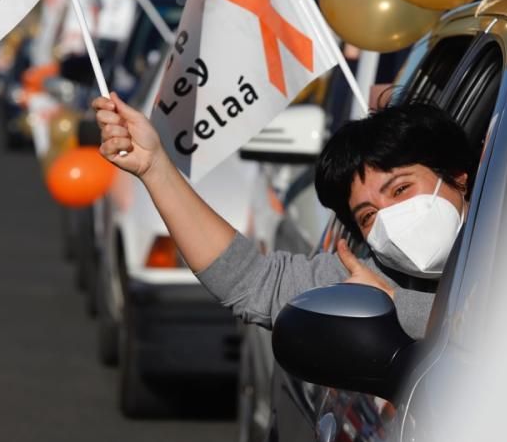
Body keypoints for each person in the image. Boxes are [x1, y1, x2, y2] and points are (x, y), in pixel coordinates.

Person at [93, 93, 478, 339]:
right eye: (367, 215)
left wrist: (395, 308)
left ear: (459, 178)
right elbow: (251, 282)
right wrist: (155, 168)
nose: (392, 219)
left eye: (400, 190)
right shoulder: (364, 279)